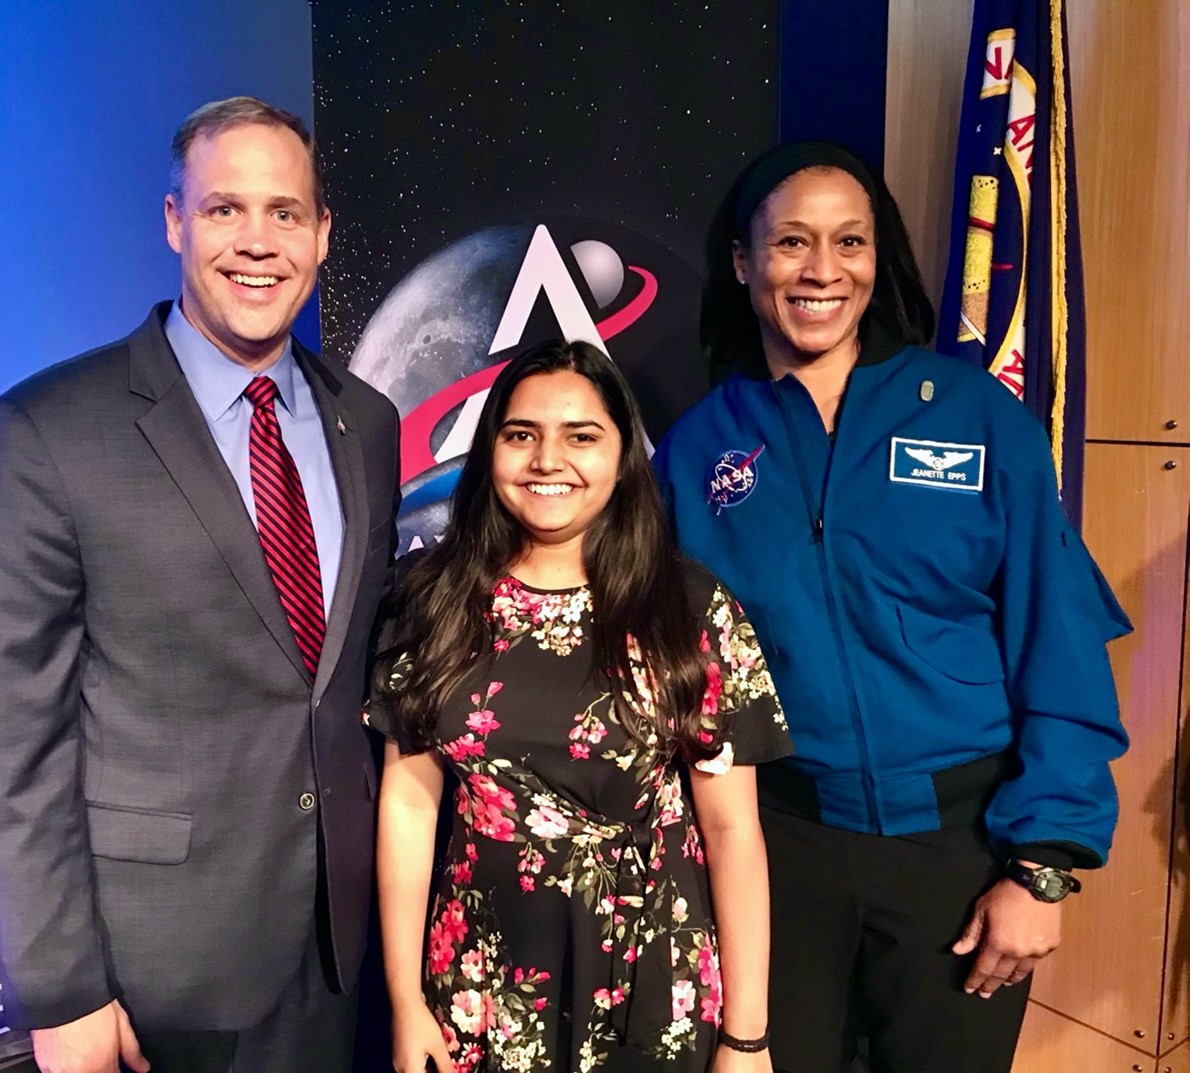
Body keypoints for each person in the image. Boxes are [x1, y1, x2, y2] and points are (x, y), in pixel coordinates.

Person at [655, 141, 1131, 1073]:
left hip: (959, 849)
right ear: (746, 263)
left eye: (850, 241)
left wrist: (1042, 866)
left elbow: (1060, 638)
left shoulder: (977, 419)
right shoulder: (696, 450)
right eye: (791, 242)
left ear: (881, 258)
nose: (822, 270)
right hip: (779, 852)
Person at [0, 96, 399, 1073]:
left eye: (284, 211)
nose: (256, 241)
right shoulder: (46, 431)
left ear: (322, 233)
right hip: (155, 969)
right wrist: (64, 988)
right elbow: (14, 741)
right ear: (172, 222)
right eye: (221, 209)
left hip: (332, 947)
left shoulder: (365, 422)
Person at [366, 339, 792, 1073]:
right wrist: (407, 1001)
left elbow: (731, 832)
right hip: (482, 981)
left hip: (652, 977)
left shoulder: (690, 609)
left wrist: (746, 1037)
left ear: (623, 453)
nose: (546, 460)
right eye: (521, 434)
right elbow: (408, 805)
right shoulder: (429, 601)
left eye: (580, 436)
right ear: (490, 447)